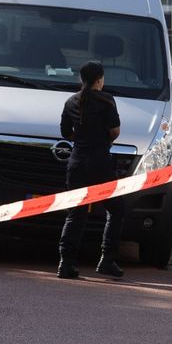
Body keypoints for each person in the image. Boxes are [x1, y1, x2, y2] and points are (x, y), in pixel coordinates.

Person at [56, 61, 125, 280]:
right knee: (116, 209)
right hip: (101, 163)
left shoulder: (70, 101)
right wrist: (100, 138)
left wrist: (82, 137)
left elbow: (65, 132)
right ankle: (106, 259)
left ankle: (65, 263)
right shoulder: (107, 100)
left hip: (77, 163)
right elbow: (115, 131)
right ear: (99, 80)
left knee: (75, 214)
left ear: (81, 79)